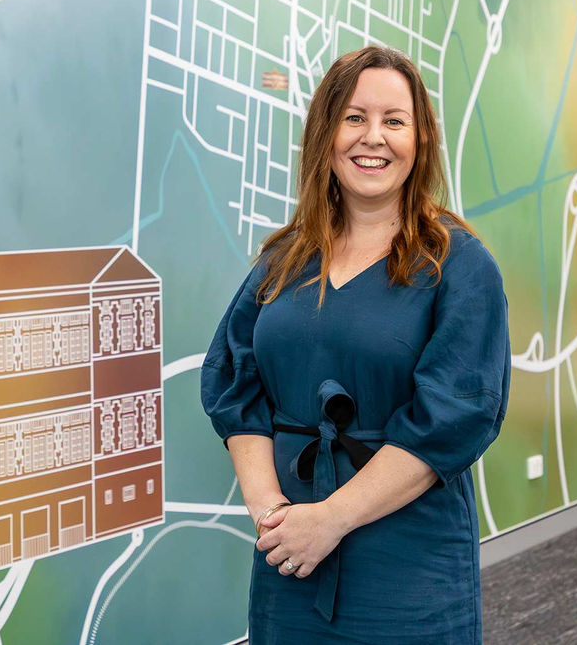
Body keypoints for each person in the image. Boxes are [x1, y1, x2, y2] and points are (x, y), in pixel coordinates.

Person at [199, 45, 511, 644]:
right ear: (327, 133)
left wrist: (331, 519)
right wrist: (273, 514)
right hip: (289, 553)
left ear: (420, 140)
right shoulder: (282, 259)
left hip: (407, 561)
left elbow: (453, 417)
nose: (374, 138)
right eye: (354, 118)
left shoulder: (460, 266)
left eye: (395, 120)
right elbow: (236, 386)